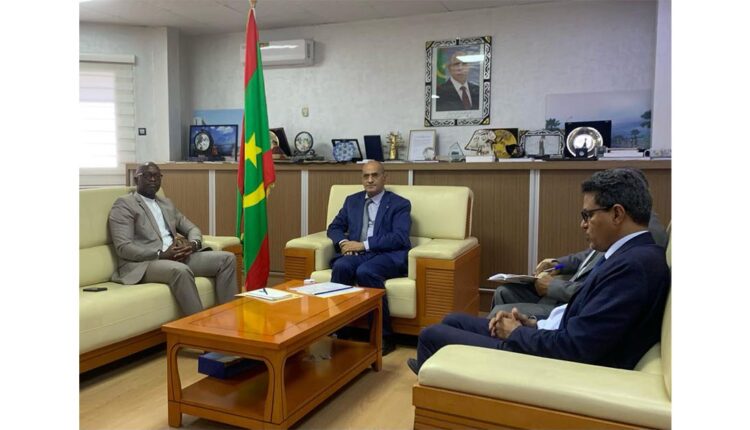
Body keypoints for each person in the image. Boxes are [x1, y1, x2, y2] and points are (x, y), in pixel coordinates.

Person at [407, 168, 670, 374]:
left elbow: (577, 348)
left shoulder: (633, 269)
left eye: (588, 215)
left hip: (557, 365)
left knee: (432, 335)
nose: (583, 224)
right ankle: (441, 377)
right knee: (453, 320)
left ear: (617, 214)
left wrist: (517, 333)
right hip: (553, 338)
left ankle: (442, 401)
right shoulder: (631, 254)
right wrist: (533, 324)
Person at [489, 168, 668, 319]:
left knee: (499, 314)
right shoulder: (617, 232)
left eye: (588, 216)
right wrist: (558, 265)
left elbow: (603, 292)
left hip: (572, 302)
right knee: (504, 291)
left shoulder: (645, 235)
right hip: (567, 288)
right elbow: (588, 257)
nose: (583, 224)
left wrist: (553, 287)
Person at [108, 162, 237, 316]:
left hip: (176, 256)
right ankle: (198, 325)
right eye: (148, 175)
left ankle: (229, 319)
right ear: (136, 179)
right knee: (180, 270)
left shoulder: (166, 203)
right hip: (146, 262)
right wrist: (160, 254)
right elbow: (123, 247)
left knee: (227, 259)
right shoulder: (124, 204)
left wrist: (193, 244)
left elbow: (192, 229)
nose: (153, 179)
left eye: (157, 176)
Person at [327, 160, 412, 355]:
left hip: (387, 255)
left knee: (366, 272)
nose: (370, 180)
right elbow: (334, 227)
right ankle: (340, 330)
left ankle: (384, 336)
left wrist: (363, 245)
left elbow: (399, 237)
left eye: (375, 175)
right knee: (341, 266)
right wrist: (343, 243)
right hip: (359, 253)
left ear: (384, 178)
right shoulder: (352, 201)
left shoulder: (400, 204)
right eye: (366, 176)